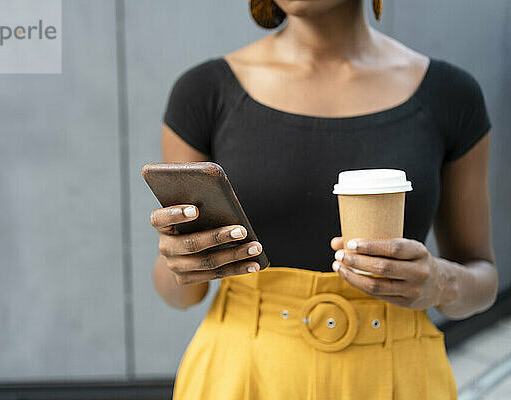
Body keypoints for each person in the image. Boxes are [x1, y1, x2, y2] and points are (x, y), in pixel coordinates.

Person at [148, 0, 498, 398]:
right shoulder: (203, 93)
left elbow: (482, 274)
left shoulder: (451, 95)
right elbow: (179, 293)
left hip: (399, 374)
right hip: (244, 375)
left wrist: (442, 284)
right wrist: (181, 260)